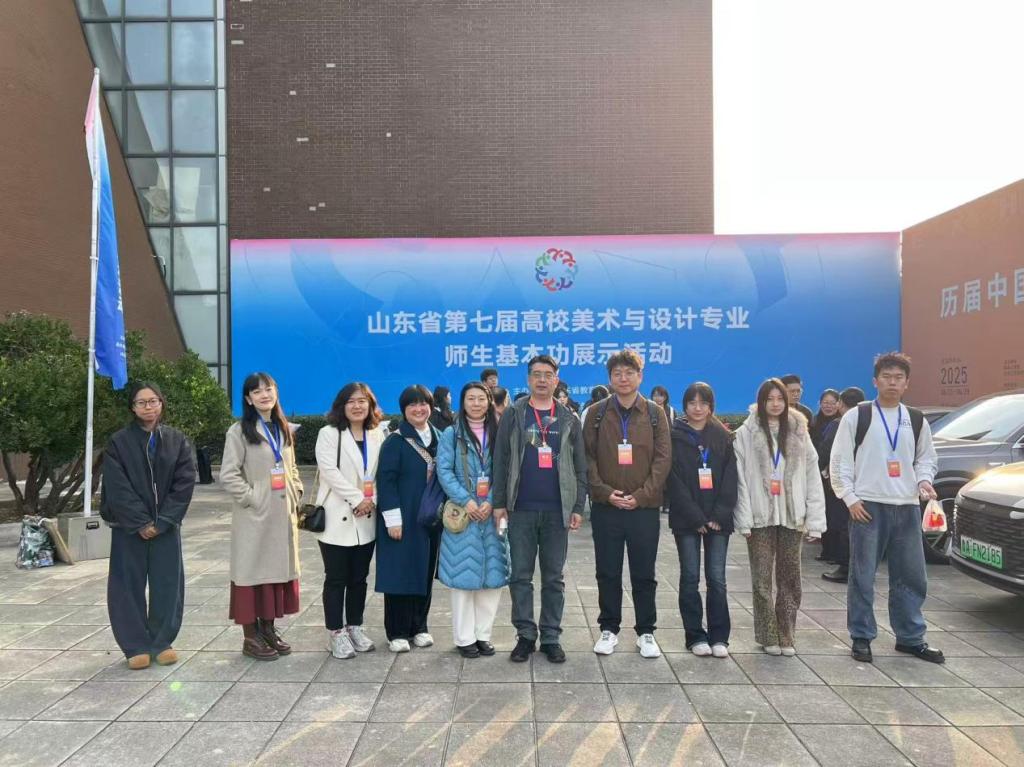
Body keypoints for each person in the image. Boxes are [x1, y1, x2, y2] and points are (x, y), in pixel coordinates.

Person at [830, 352, 942, 665]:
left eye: (898, 378)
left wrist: (924, 480)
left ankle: (910, 637)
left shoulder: (915, 419)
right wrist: (849, 498)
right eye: (886, 377)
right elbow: (840, 460)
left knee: (911, 576)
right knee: (862, 576)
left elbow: (926, 457)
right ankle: (862, 636)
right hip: (868, 506)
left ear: (907, 383)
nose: (892, 382)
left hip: (906, 506)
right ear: (875, 381)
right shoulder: (858, 416)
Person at [493, 354, 588, 663]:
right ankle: (525, 635)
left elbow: (580, 466)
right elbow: (501, 460)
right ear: (528, 379)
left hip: (557, 511)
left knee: (553, 578)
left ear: (556, 379)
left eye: (548, 374)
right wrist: (499, 503)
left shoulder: (569, 418)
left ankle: (550, 637)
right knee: (520, 576)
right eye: (537, 374)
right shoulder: (514, 414)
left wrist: (577, 506)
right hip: (520, 508)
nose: (542, 379)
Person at [101, 382, 196, 670]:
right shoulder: (119, 442)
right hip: (129, 528)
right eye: (141, 402)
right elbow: (117, 487)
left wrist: (164, 521)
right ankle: (135, 645)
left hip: (166, 527)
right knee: (126, 586)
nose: (148, 407)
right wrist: (140, 522)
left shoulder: (176, 440)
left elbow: (184, 483)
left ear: (161, 404)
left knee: (168, 583)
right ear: (132, 408)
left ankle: (161, 641)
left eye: (153, 401)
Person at [584, 350, 671, 658]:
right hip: (607, 507)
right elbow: (587, 457)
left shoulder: (654, 413)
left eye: (629, 373)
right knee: (607, 571)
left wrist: (643, 495)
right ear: (610, 378)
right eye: (617, 373)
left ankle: (646, 632)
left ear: (640, 376)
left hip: (643, 509)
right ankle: (609, 628)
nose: (623, 378)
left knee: (643, 572)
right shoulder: (596, 413)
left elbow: (663, 459)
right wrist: (605, 492)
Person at [734, 378, 826, 656]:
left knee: (790, 578)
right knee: (761, 579)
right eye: (769, 399)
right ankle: (767, 635)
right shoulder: (746, 433)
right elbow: (740, 480)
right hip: (760, 516)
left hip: (792, 515)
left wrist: (815, 521)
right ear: (760, 402)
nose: (775, 404)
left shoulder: (799, 430)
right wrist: (744, 518)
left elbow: (812, 475)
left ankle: (786, 635)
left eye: (780, 399)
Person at [220, 372, 304, 660]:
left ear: (276, 392)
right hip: (255, 517)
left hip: (282, 514)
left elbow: (291, 466)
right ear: (248, 399)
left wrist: (297, 490)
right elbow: (228, 474)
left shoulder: (283, 428)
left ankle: (268, 629)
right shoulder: (239, 431)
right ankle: (250, 637)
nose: (264, 395)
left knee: (275, 574)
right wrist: (252, 498)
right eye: (256, 392)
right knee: (251, 574)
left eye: (268, 389)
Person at [436, 382, 511, 658]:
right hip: (462, 514)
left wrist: (492, 500)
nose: (476, 404)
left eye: (481, 398)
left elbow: (505, 470)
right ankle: (464, 638)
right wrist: (467, 502)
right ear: (463, 402)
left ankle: (483, 635)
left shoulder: (500, 431)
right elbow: (444, 471)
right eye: (471, 398)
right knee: (462, 580)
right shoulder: (451, 434)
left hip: (494, 513)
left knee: (493, 579)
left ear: (489, 402)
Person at [666, 382, 738, 658]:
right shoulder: (674, 437)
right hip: (687, 520)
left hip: (719, 521)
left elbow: (731, 478)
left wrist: (720, 515)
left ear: (711, 407)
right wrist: (695, 516)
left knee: (717, 579)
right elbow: (672, 480)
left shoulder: (723, 437)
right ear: (684, 406)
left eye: (703, 403)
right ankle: (695, 635)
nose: (697, 408)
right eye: (692, 403)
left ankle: (720, 636)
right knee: (690, 577)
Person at [315, 382, 384, 659]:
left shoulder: (377, 433)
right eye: (351, 401)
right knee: (336, 578)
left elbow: (383, 472)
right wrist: (358, 499)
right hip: (337, 516)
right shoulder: (329, 433)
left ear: (370, 405)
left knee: (359, 578)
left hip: (367, 516)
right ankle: (336, 633)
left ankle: (355, 626)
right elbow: (329, 472)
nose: (357, 406)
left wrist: (371, 499)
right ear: (342, 406)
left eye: (362, 401)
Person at [376, 385, 443, 653]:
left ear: (431, 407)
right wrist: (393, 519)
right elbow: (386, 481)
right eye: (412, 404)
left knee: (424, 571)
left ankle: (420, 627)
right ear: (404, 410)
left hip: (430, 518)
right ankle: (397, 631)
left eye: (423, 403)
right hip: (403, 517)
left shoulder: (439, 438)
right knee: (400, 573)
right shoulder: (396, 441)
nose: (418, 409)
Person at [820, 387, 865, 582]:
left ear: (840, 404)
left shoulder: (839, 424)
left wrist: (822, 470)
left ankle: (845, 567)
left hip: (842, 482)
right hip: (864, 482)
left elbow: (826, 451)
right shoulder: (868, 422)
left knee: (842, 523)